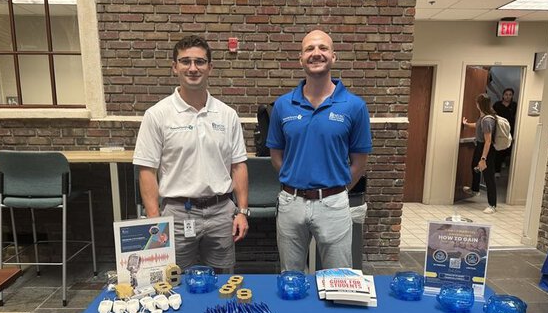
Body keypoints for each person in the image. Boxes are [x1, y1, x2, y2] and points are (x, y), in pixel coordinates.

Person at [133, 35, 249, 272]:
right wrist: (156, 222)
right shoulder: (157, 115)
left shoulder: (227, 115)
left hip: (221, 213)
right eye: (185, 62)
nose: (193, 68)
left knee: (222, 282)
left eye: (200, 62)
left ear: (210, 68)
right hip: (175, 215)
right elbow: (147, 171)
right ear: (175, 67)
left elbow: (238, 166)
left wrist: (242, 211)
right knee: (175, 281)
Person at [266, 29, 372, 271]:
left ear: (333, 56)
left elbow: (359, 162)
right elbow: (276, 156)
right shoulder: (283, 105)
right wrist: (295, 182)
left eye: (323, 48)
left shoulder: (354, 106)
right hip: (291, 203)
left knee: (340, 278)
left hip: (333, 203)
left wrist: (337, 191)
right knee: (291, 276)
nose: (316, 53)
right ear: (301, 59)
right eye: (309, 49)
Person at [462, 93, 497, 214]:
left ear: (479, 104)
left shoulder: (487, 120)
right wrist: (466, 124)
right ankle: (475, 189)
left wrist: (483, 158)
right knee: (474, 166)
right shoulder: (483, 117)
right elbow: (477, 125)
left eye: (477, 102)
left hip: (486, 149)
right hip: (480, 146)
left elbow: (488, 141)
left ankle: (492, 205)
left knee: (488, 177)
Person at [493, 88, 517, 175]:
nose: (508, 96)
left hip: (510, 129)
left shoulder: (514, 105)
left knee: (508, 147)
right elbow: (493, 115)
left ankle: (503, 161)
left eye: (510, 95)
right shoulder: (497, 104)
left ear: (512, 96)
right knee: (498, 148)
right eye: (506, 94)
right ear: (503, 95)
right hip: (499, 129)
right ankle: (497, 170)